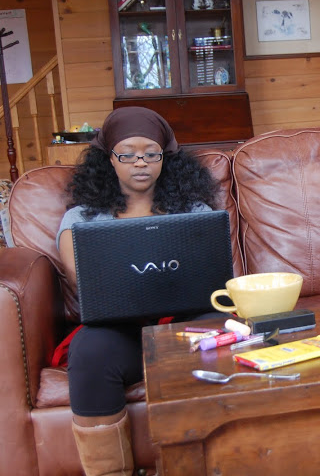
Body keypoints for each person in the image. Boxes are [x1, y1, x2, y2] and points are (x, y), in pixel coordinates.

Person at [56, 107, 219, 476]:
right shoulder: (81, 220)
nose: (140, 162)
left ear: (166, 157)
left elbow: (211, 277)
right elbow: (83, 280)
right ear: (109, 160)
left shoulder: (195, 210)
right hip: (119, 331)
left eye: (151, 152)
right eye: (127, 153)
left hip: (185, 324)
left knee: (220, 329)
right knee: (90, 349)